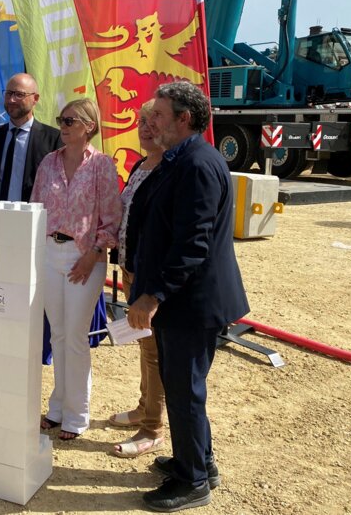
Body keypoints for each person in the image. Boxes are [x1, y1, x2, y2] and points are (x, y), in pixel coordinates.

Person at [127, 81, 250, 513]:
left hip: (191, 304)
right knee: (183, 388)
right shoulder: (179, 158)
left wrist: (152, 296)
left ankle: (193, 481)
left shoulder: (197, 164)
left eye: (159, 115)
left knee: (184, 392)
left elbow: (192, 245)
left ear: (184, 119)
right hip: (181, 302)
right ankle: (198, 462)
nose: (152, 121)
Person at [31, 98, 122, 441]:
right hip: (48, 253)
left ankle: (77, 414)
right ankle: (57, 407)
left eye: (70, 121)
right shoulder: (48, 163)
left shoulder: (102, 165)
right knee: (57, 333)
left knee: (75, 336)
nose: (63, 126)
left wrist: (93, 254)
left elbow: (111, 219)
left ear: (89, 126)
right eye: (61, 120)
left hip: (84, 256)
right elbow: (35, 207)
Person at [108, 100, 167, 459]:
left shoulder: (168, 170)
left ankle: (153, 429)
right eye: (141, 121)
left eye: (153, 121)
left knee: (155, 353)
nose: (145, 128)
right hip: (130, 272)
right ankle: (145, 408)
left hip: (150, 279)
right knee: (145, 348)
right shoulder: (140, 165)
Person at [0, 73, 61, 202]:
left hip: (34, 212)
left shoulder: (53, 140)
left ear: (35, 98)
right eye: (9, 94)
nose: (12, 100)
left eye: (19, 94)